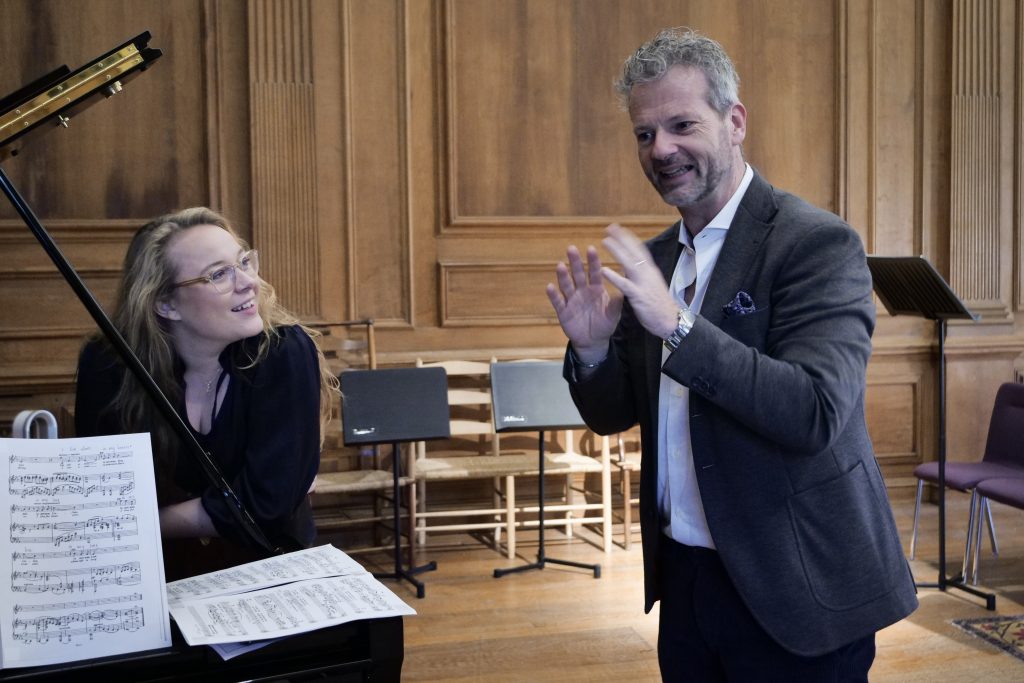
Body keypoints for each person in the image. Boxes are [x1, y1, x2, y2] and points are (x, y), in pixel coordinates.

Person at [546, 28, 917, 681]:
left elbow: (814, 410)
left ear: (735, 120)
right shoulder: (656, 260)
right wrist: (595, 349)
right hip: (686, 583)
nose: (661, 148)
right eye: (644, 133)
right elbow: (614, 416)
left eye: (681, 124)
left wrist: (680, 327)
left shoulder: (815, 244)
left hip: (799, 586)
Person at [75, 207, 339, 579]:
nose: (249, 282)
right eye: (219, 274)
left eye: (244, 262)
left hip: (269, 567)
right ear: (165, 303)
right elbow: (100, 499)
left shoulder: (283, 351)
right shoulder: (108, 365)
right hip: (155, 574)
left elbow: (267, 504)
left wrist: (142, 525)